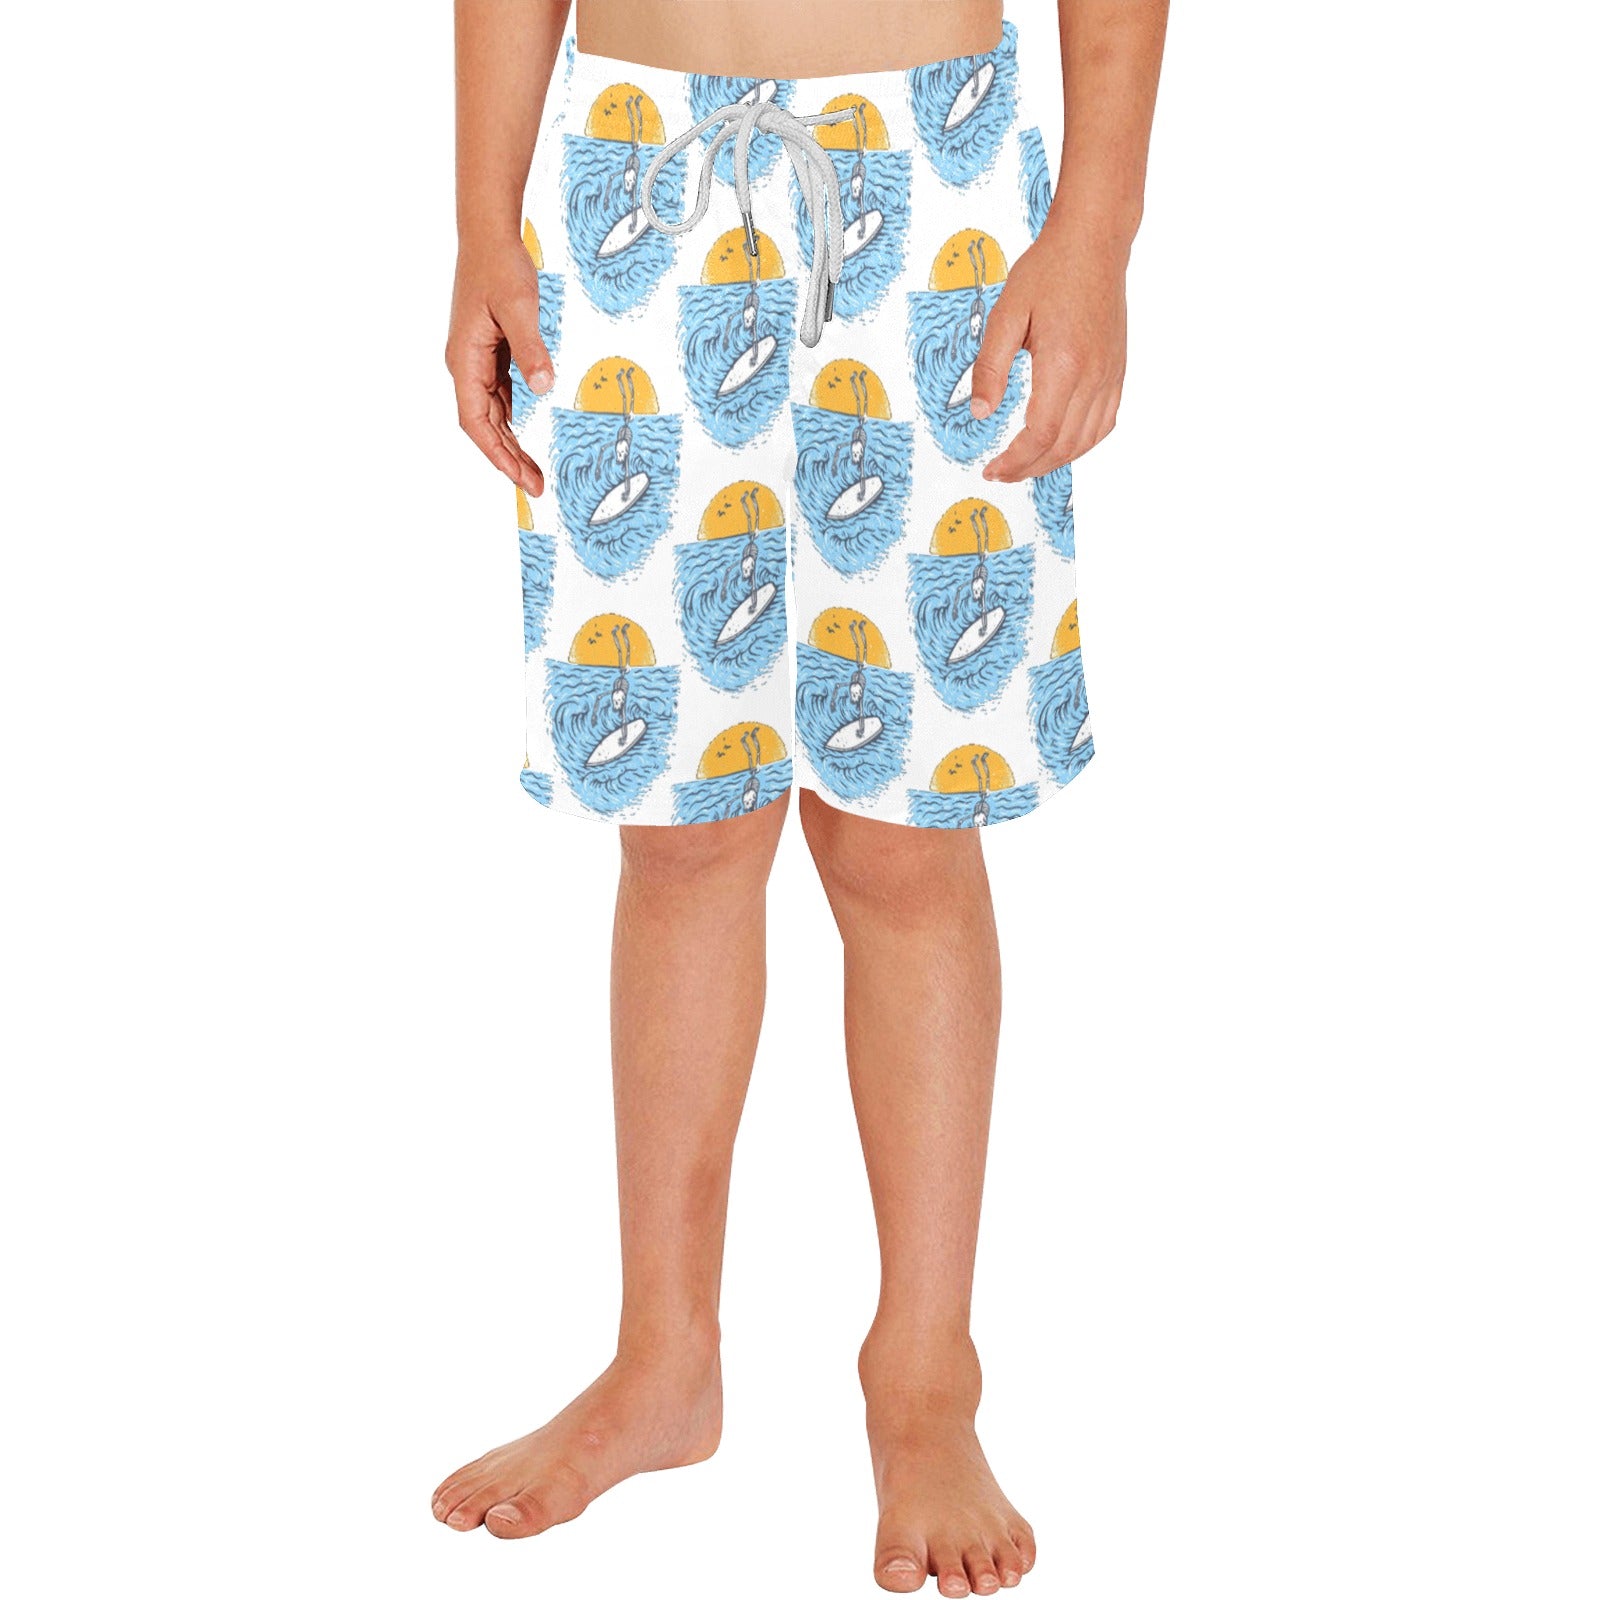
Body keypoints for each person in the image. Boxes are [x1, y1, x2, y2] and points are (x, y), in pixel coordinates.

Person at [434, 1, 1167, 1592]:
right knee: (679, 827)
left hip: (934, 176)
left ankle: (925, 1378)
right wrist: (484, 216)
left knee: (908, 838)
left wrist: (1096, 227)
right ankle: (663, 1360)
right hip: (634, 176)